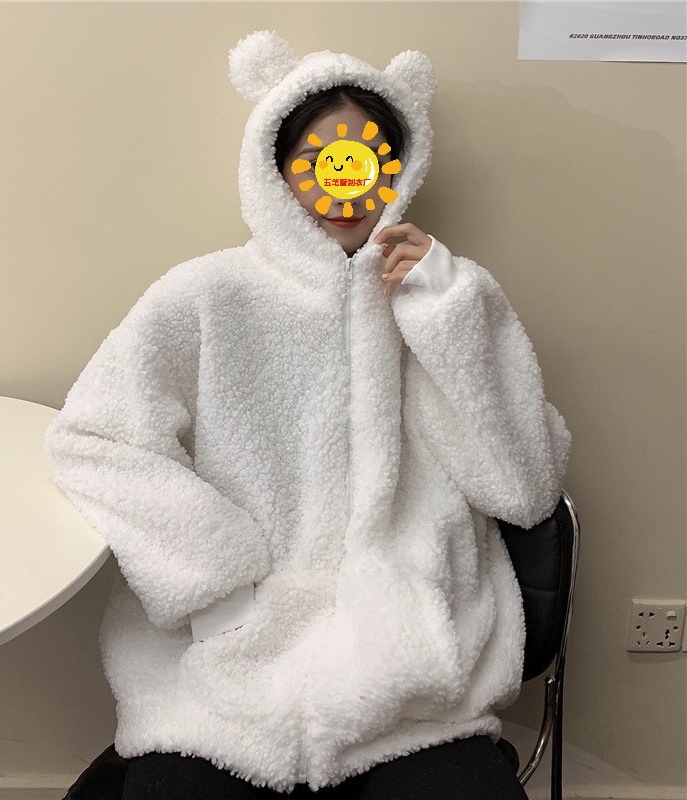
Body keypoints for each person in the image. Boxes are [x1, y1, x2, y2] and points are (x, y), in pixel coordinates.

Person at [45, 31, 570, 799]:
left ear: (399, 168)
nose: (344, 186)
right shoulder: (206, 296)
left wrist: (449, 314)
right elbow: (94, 438)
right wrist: (218, 582)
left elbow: (523, 488)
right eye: (319, 160)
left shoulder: (448, 298)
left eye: (365, 159)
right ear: (276, 169)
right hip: (228, 669)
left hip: (414, 680)